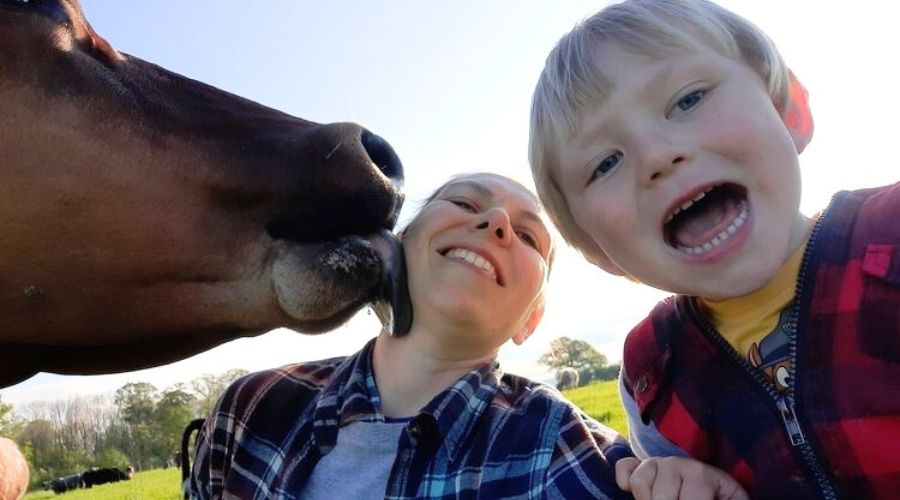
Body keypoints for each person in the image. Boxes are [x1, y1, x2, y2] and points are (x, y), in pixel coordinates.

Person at [529, 0, 900, 498]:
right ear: (600, 252)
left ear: (788, 109)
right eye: (605, 162)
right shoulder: (652, 378)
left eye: (688, 100)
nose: (658, 156)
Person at [189, 172, 744, 499]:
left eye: (528, 236)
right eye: (464, 203)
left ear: (532, 319)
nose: (497, 222)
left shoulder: (567, 456)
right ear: (396, 245)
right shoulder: (251, 409)